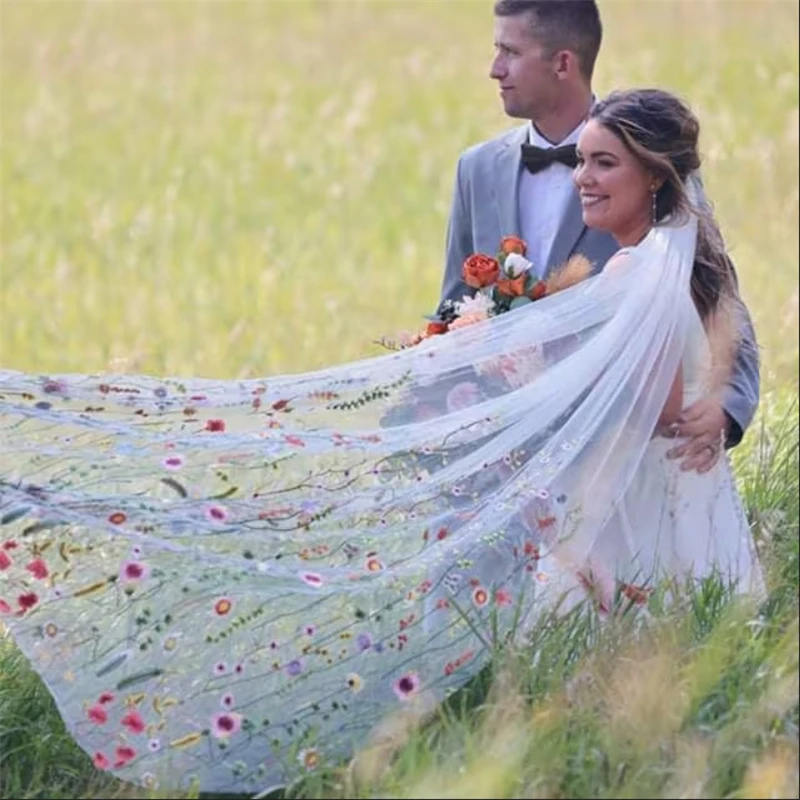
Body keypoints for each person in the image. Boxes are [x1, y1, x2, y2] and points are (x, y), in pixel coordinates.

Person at [0, 88, 763, 795]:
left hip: (625, 510)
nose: (583, 179)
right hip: (672, 495)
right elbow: (682, 384)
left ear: (654, 177)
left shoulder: (637, 269)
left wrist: (534, 371)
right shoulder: (684, 256)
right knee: (670, 666)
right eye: (582, 160)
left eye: (604, 164)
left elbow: (654, 403)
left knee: (601, 672)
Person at [438, 0, 760, 474]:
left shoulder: (649, 158)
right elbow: (455, 307)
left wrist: (726, 407)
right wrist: (426, 415)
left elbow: (717, 295)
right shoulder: (476, 169)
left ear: (563, 63)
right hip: (507, 455)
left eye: (510, 51)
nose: (494, 69)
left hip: (620, 455)